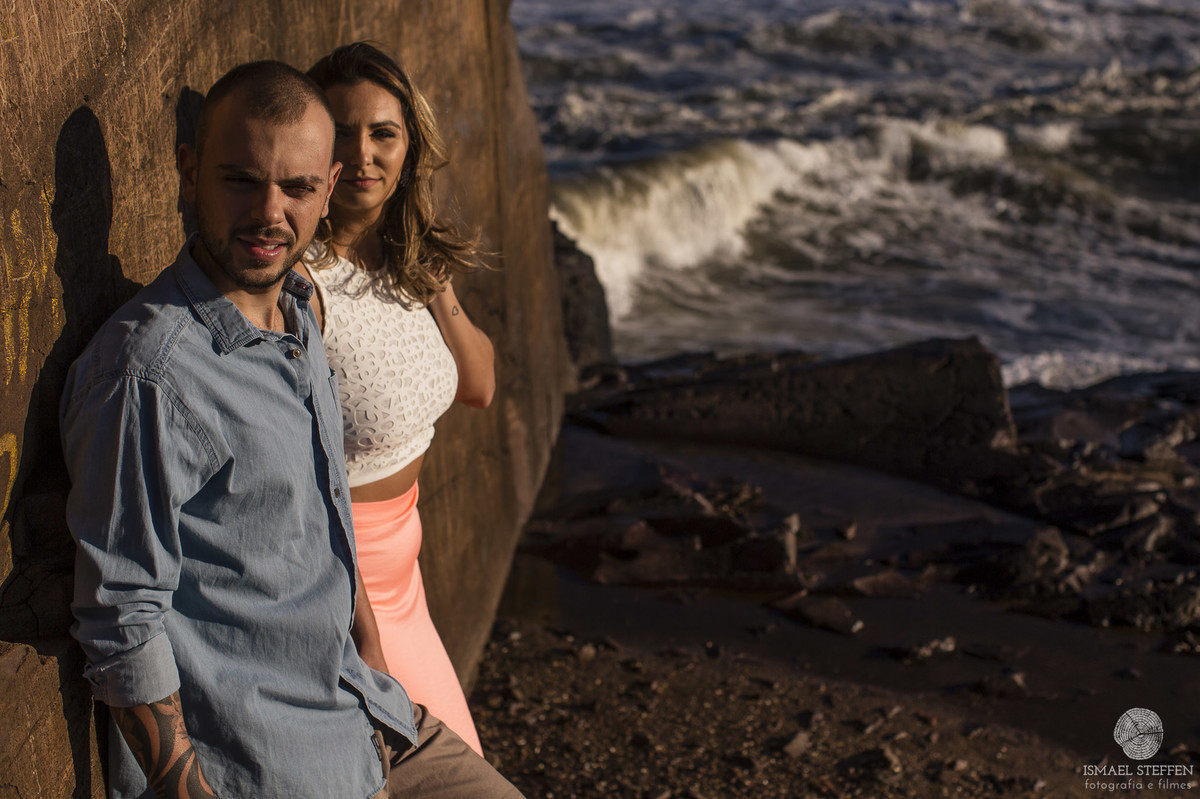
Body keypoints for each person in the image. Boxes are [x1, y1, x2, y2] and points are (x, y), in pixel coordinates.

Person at [60, 59, 521, 799]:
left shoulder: (298, 320)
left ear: (327, 189)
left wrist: (369, 654)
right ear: (189, 171)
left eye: (298, 188)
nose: (270, 212)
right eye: (241, 180)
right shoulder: (150, 373)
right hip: (272, 765)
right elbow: (122, 615)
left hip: (365, 709)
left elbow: (328, 500)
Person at [298, 41, 496, 756]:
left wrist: (433, 280)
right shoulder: (302, 286)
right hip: (344, 585)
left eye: (383, 133)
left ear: (410, 148)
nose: (362, 154)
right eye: (341, 133)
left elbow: (479, 385)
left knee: (461, 759)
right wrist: (361, 636)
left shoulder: (409, 261)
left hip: (407, 574)